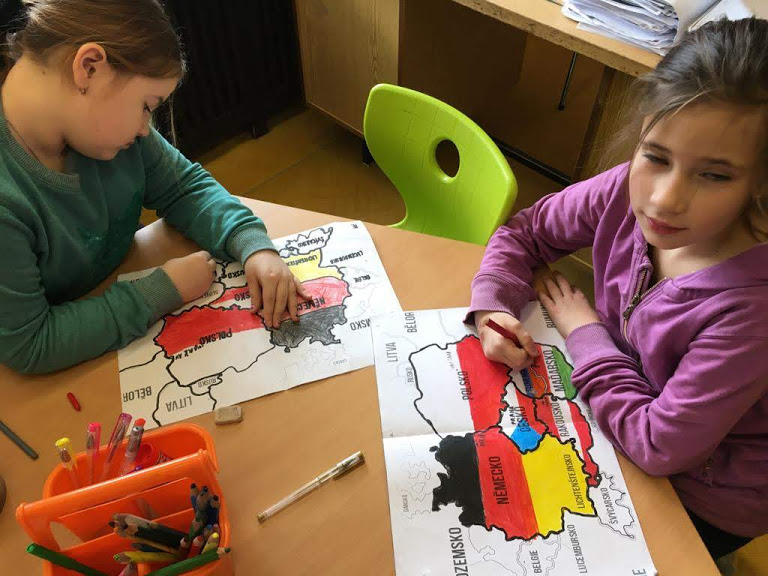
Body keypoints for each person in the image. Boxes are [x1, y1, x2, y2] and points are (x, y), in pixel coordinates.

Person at [470, 18, 768, 560]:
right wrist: (493, 306)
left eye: (715, 175)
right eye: (656, 157)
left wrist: (586, 333)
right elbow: (527, 233)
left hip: (704, 495)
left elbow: (658, 447)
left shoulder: (752, 308)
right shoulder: (624, 190)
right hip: (622, 412)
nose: (664, 199)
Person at [0, 0, 309, 374]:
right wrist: (161, 291)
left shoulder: (98, 127)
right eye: (146, 106)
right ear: (90, 67)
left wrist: (253, 244)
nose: (146, 129)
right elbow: (30, 342)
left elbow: (185, 188)